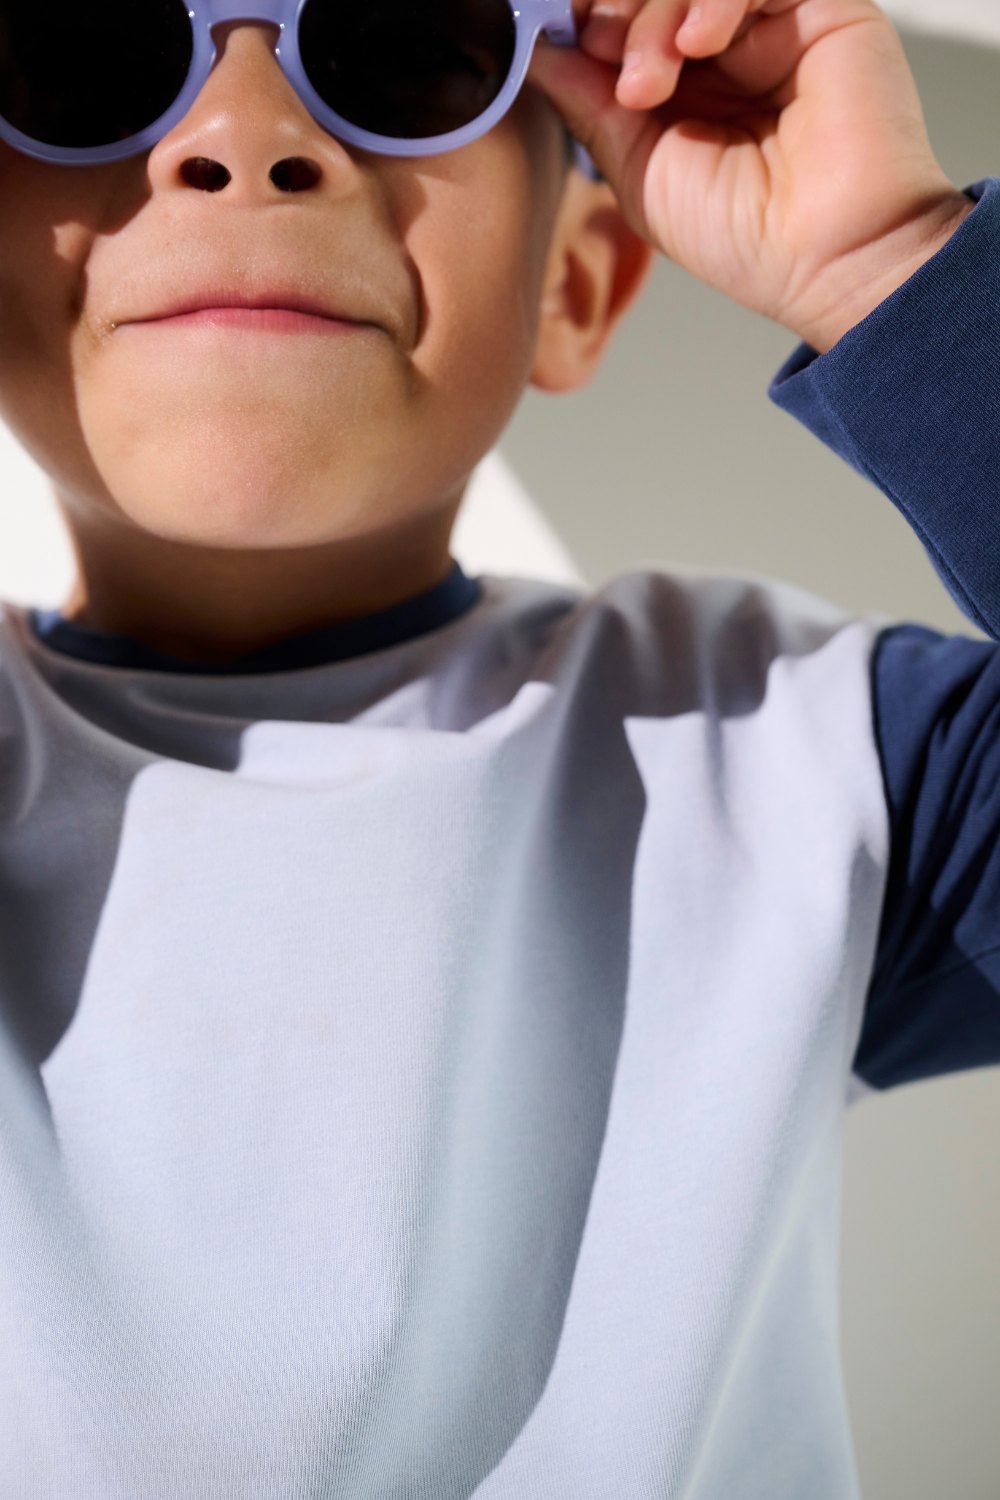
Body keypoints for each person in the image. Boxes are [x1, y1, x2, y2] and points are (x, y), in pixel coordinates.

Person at [0, 0, 995, 1494]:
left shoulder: (789, 761)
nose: (245, 139)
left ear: (574, 287)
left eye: (406, 51)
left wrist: (891, 263)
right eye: (93, 62)